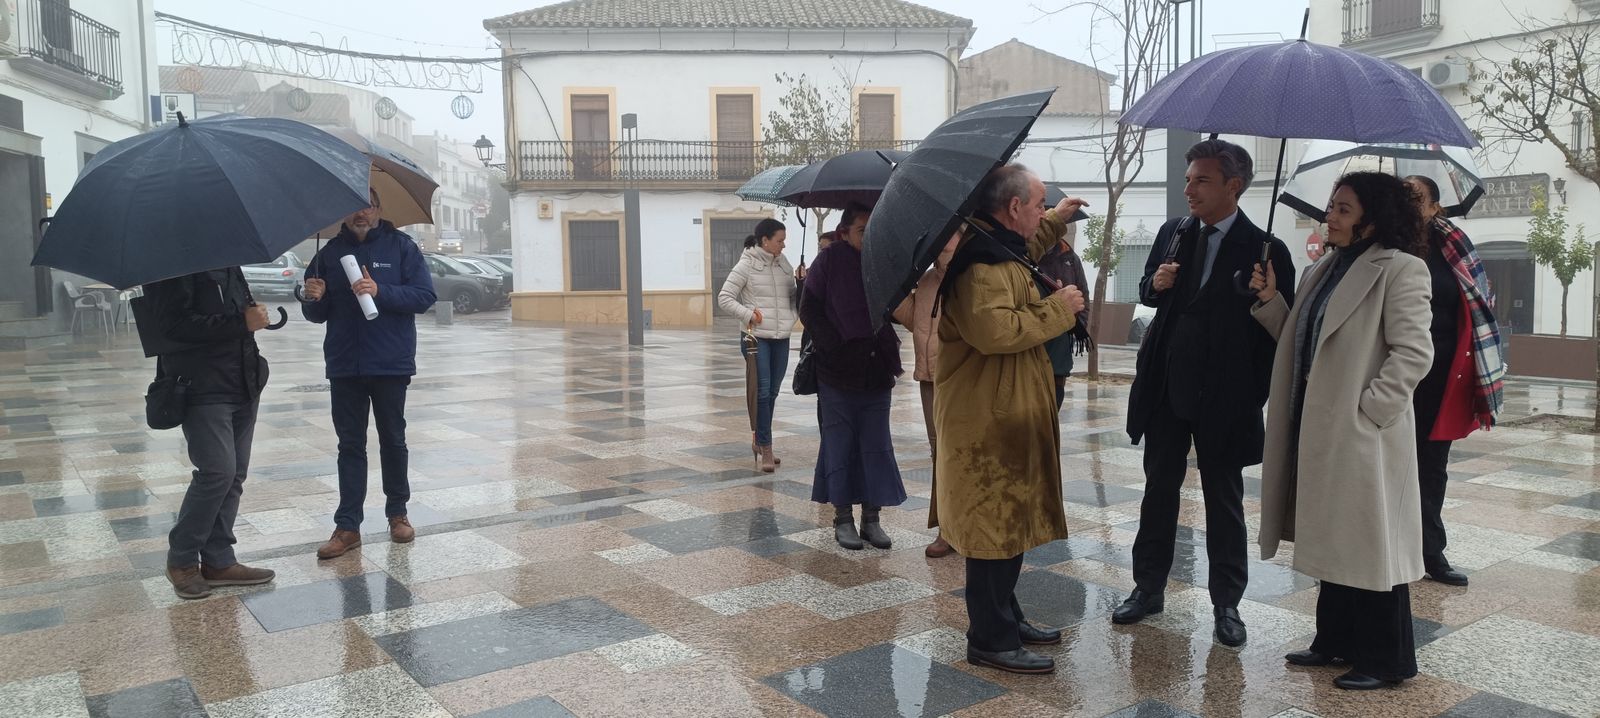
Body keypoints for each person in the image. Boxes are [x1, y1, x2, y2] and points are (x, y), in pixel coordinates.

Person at [1249, 171, 1433, 690]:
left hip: (1361, 431)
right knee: (1334, 534)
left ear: (1372, 219)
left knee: (1371, 544)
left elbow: (1414, 353)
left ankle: (1387, 659)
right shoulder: (1324, 268)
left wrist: (1371, 410)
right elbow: (1305, 339)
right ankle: (1335, 641)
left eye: (1344, 208)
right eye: (1332, 205)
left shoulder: (1401, 269)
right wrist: (1271, 302)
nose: (1330, 214)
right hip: (1316, 421)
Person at [1118, 139, 1296, 648]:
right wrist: (1157, 280)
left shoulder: (1267, 249)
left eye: (1202, 180)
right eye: (1188, 178)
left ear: (1233, 187)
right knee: (1158, 491)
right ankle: (1147, 587)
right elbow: (1148, 296)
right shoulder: (1173, 233)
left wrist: (1269, 296)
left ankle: (1227, 602)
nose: (1189, 188)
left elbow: (1277, 333)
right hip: (1167, 390)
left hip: (1225, 397)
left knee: (1224, 498)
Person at [933, 164, 1087, 675]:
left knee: (1010, 526)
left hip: (1008, 415)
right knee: (991, 534)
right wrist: (1059, 309)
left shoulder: (1000, 247)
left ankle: (1008, 616)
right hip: (986, 425)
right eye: (1040, 204)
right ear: (1014, 207)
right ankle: (989, 638)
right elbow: (995, 331)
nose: (1043, 211)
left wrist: (1058, 222)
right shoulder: (979, 267)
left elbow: (1026, 248)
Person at [301, 190, 437, 559]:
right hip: (345, 364)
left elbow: (424, 297)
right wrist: (311, 296)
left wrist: (381, 290)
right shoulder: (327, 254)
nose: (361, 212)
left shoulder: (401, 247)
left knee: (393, 439)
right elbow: (316, 314)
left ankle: (398, 513)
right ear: (343, 213)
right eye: (353, 206)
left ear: (378, 209)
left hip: (390, 361)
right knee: (350, 445)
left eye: (368, 205)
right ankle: (348, 526)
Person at [147, 267, 277, 599]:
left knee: (234, 475)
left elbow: (238, 316)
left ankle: (219, 560)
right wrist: (240, 322)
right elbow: (170, 326)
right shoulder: (173, 267)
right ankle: (182, 560)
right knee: (217, 473)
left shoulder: (228, 263)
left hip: (243, 382)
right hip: (203, 387)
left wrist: (254, 317)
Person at [1402, 175, 1506, 587]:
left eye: (1417, 197)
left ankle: (1431, 551)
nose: (1409, 203)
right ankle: (1383, 547)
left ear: (1434, 207)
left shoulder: (1453, 247)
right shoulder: (1387, 244)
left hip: (1442, 374)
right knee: (1386, 463)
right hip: (1393, 371)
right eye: (1403, 196)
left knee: (1431, 464)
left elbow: (1480, 299)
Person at [798, 205, 906, 550]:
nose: (868, 235)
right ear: (844, 231)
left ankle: (871, 519)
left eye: (872, 229)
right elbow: (809, 308)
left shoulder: (883, 261)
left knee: (876, 445)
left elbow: (900, 310)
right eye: (862, 229)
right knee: (839, 444)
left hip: (877, 368)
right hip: (837, 371)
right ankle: (842, 518)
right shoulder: (828, 262)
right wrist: (833, 345)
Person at [892, 229, 960, 558]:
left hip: (961, 379)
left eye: (947, 237)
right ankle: (947, 528)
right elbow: (913, 320)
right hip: (929, 377)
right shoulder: (929, 280)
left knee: (961, 453)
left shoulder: (971, 276)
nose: (940, 244)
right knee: (940, 453)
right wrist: (898, 290)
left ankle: (965, 526)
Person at [718, 218, 799, 472]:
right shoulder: (747, 264)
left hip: (781, 336)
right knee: (762, 392)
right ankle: (766, 446)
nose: (783, 245)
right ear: (765, 241)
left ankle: (759, 438)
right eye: (780, 240)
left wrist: (803, 281)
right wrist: (749, 315)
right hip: (755, 337)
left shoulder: (784, 264)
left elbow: (792, 297)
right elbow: (724, 298)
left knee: (773, 392)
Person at [1035, 223, 1093, 409]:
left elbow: (1082, 293)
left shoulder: (1069, 256)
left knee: (1055, 396)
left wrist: (1076, 324)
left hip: (1061, 342)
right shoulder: (1028, 254)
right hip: (1036, 337)